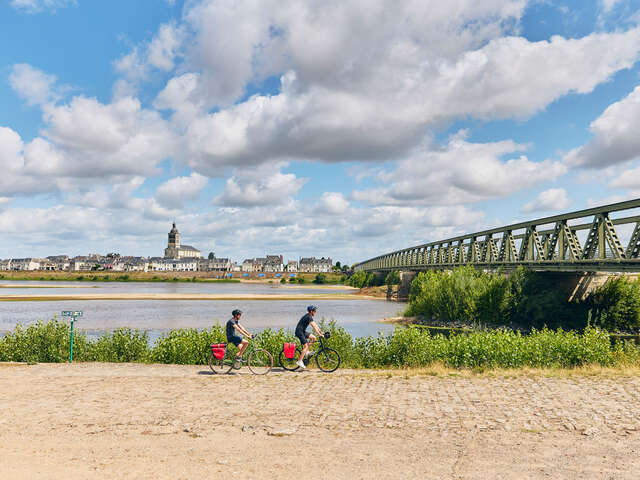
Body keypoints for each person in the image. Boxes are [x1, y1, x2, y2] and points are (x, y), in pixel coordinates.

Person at [295, 305, 324, 370]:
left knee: (313, 338)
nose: (315, 312)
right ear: (311, 311)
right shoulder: (308, 317)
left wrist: (321, 332)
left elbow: (315, 325)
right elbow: (314, 327)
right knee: (306, 346)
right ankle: (299, 361)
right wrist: (319, 334)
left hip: (302, 331)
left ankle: (306, 352)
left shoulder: (309, 316)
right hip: (299, 332)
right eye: (314, 311)